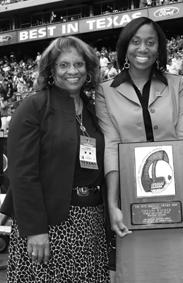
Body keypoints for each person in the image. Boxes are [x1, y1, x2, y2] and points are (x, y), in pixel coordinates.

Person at [96, 17, 183, 283]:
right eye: (135, 41)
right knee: (136, 273)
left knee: (181, 271)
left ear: (159, 48)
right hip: (131, 200)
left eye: (150, 42)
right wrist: (113, 204)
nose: (142, 48)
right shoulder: (105, 92)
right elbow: (111, 146)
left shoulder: (178, 84)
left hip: (176, 197)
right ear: (124, 47)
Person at [0, 36, 109, 282]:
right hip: (48, 224)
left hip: (90, 221)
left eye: (79, 64)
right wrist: (35, 230)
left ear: (88, 69)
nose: (73, 71)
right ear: (51, 70)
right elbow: (23, 174)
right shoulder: (34, 106)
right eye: (64, 65)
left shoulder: (93, 109)